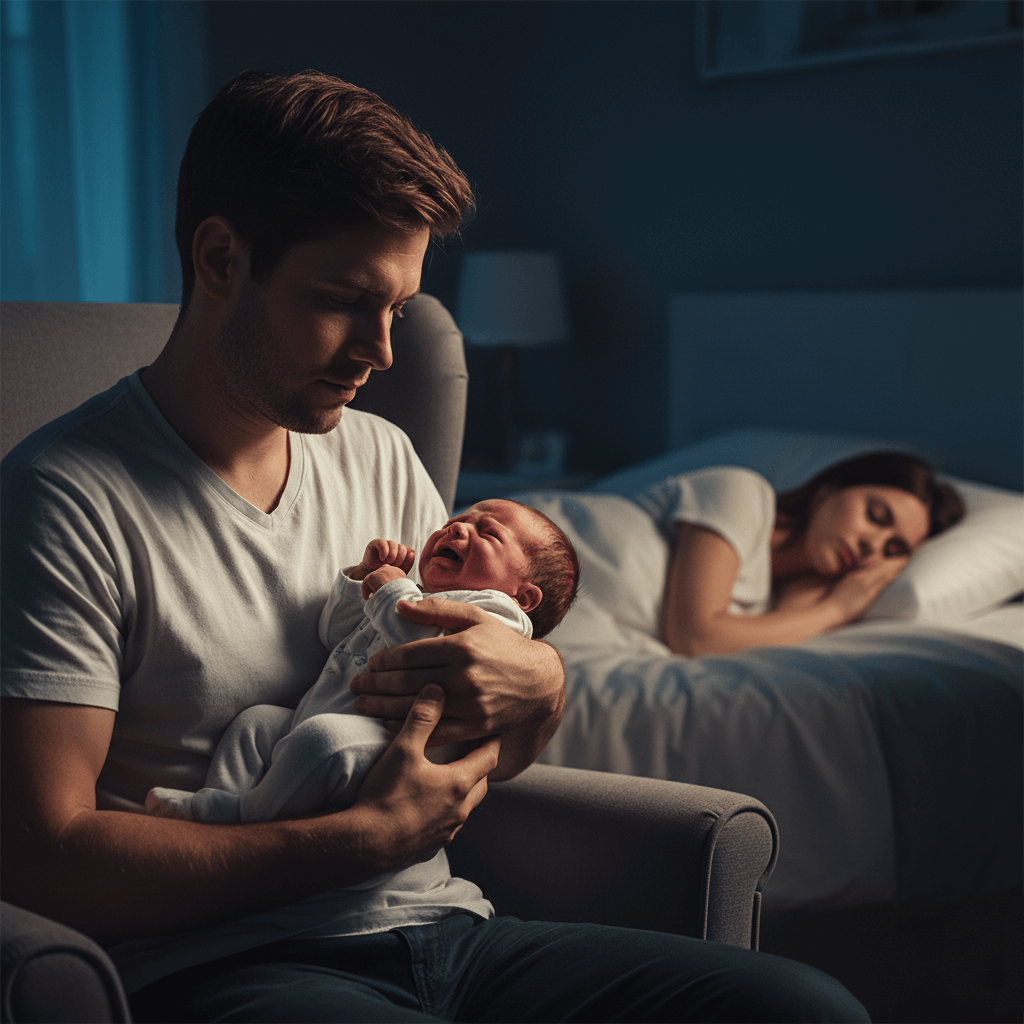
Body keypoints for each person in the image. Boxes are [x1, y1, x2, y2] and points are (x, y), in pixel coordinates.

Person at [1, 69, 870, 1022]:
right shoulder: (65, 499)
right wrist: (357, 843)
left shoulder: (380, 454)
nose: (380, 350)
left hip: (447, 929)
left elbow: (466, 719)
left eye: (400, 309)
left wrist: (542, 687)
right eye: (343, 298)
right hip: (225, 965)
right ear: (219, 259)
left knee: (806, 1009)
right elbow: (42, 856)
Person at [144, 499, 580, 826]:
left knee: (321, 740)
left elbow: (417, 638)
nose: (456, 530)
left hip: (387, 746)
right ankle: (214, 799)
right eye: (454, 521)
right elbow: (334, 634)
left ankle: (241, 815)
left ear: (523, 595)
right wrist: (362, 579)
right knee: (256, 723)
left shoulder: (499, 618)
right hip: (321, 717)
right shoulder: (414, 592)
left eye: (487, 532)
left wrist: (390, 590)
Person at [638, 453, 965, 657]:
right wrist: (838, 607)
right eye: (876, 515)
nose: (873, 547)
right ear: (829, 490)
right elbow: (695, 637)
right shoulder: (742, 493)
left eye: (892, 549)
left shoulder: (769, 601)